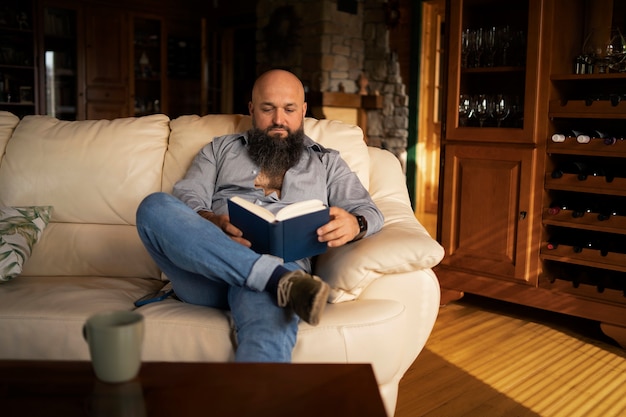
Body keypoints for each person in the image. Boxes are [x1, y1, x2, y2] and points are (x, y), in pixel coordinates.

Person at [136, 69, 384, 362]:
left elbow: (370, 211)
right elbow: (187, 198)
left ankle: (272, 281)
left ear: (303, 111)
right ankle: (278, 280)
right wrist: (209, 219)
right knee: (154, 207)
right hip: (208, 273)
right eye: (268, 109)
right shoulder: (218, 151)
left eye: (289, 109)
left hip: (283, 266)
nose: (279, 120)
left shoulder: (327, 161)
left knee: (266, 338)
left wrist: (355, 224)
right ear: (252, 109)